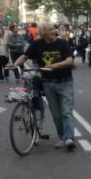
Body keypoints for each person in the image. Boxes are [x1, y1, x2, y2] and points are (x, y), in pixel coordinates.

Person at [7, 23, 77, 151]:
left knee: (66, 112)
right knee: (56, 114)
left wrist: (54, 66)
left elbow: (69, 60)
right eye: (50, 29)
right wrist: (14, 64)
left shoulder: (63, 43)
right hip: (48, 83)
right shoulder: (37, 44)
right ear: (43, 33)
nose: (53, 31)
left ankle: (69, 138)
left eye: (53, 29)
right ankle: (62, 137)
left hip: (65, 82)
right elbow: (25, 56)